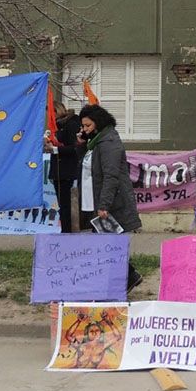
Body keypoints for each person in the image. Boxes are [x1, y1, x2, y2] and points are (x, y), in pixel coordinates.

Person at [79, 104, 144, 292]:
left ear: (98, 123)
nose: (84, 129)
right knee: (107, 244)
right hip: (102, 201)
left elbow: (111, 176)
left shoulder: (109, 143)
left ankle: (127, 278)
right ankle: (123, 280)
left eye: (88, 125)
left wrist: (104, 205)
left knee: (110, 244)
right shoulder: (97, 142)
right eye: (83, 126)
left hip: (113, 203)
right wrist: (82, 144)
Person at [45, 103, 83, 232]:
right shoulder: (57, 126)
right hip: (58, 170)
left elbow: (74, 148)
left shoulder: (71, 124)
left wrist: (55, 148)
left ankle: (67, 231)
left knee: (66, 205)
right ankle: (65, 229)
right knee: (62, 204)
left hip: (67, 170)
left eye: (51, 113)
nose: (49, 116)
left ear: (57, 111)